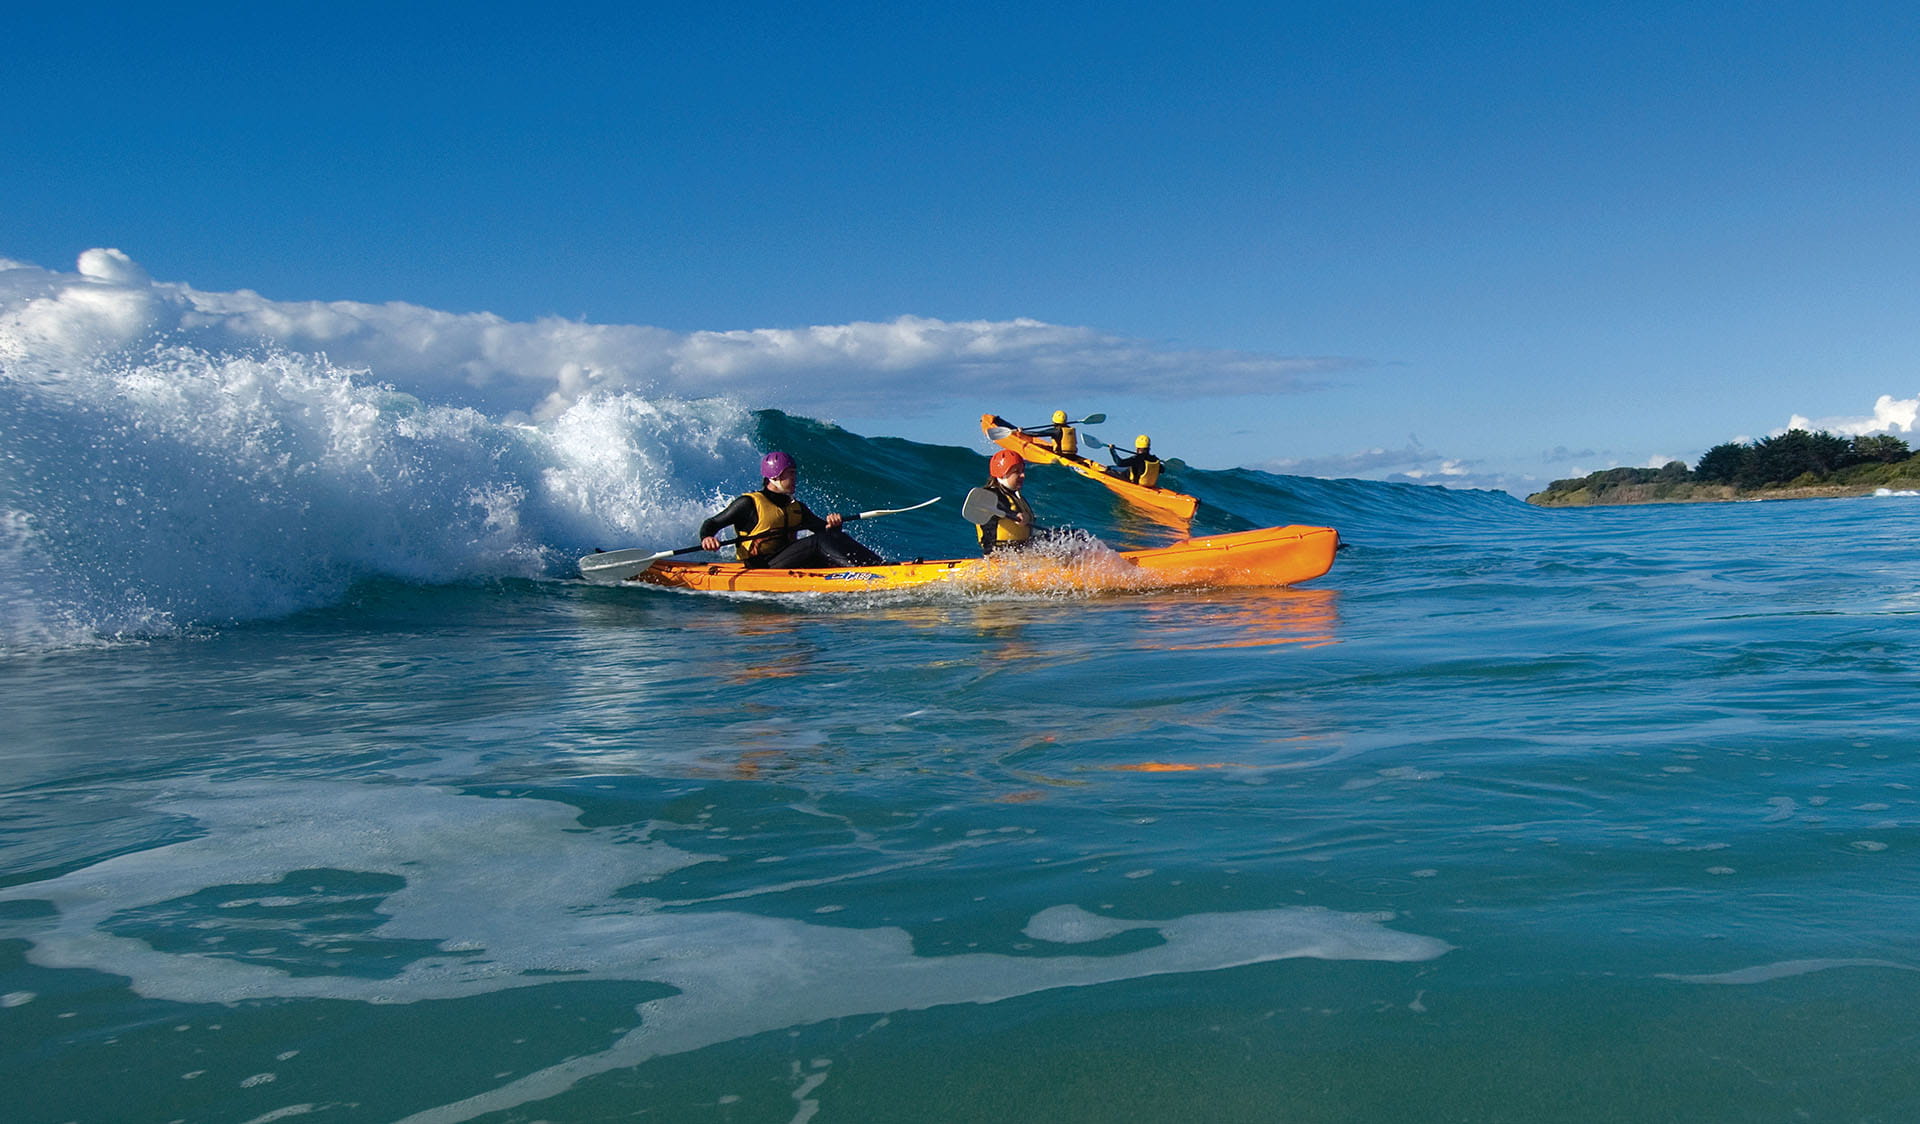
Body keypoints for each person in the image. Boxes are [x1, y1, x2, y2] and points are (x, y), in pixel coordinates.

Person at [699, 451, 884, 569]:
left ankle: (879, 566)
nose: (795, 479)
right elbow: (712, 524)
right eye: (791, 474)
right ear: (775, 477)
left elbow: (825, 532)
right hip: (761, 565)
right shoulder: (748, 503)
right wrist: (707, 538)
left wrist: (834, 527)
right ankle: (869, 572)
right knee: (816, 543)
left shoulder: (797, 507)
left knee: (834, 537)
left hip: (788, 560)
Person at [974, 449, 1039, 555]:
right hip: (998, 555)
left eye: (1022, 471)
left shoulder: (1016, 497)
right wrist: (1014, 515)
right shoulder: (989, 494)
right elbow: (996, 505)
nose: (1023, 475)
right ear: (1002, 473)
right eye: (1017, 471)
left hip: (1022, 553)